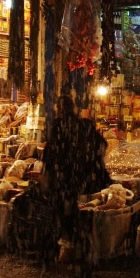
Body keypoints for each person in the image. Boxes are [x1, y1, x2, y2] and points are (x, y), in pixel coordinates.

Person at [41, 94, 111, 267]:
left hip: (66, 179)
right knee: (77, 214)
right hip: (82, 179)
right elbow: (102, 145)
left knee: (66, 215)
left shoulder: (58, 126)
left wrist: (51, 173)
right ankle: (83, 250)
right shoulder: (85, 125)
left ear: (60, 108)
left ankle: (71, 249)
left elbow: (50, 154)